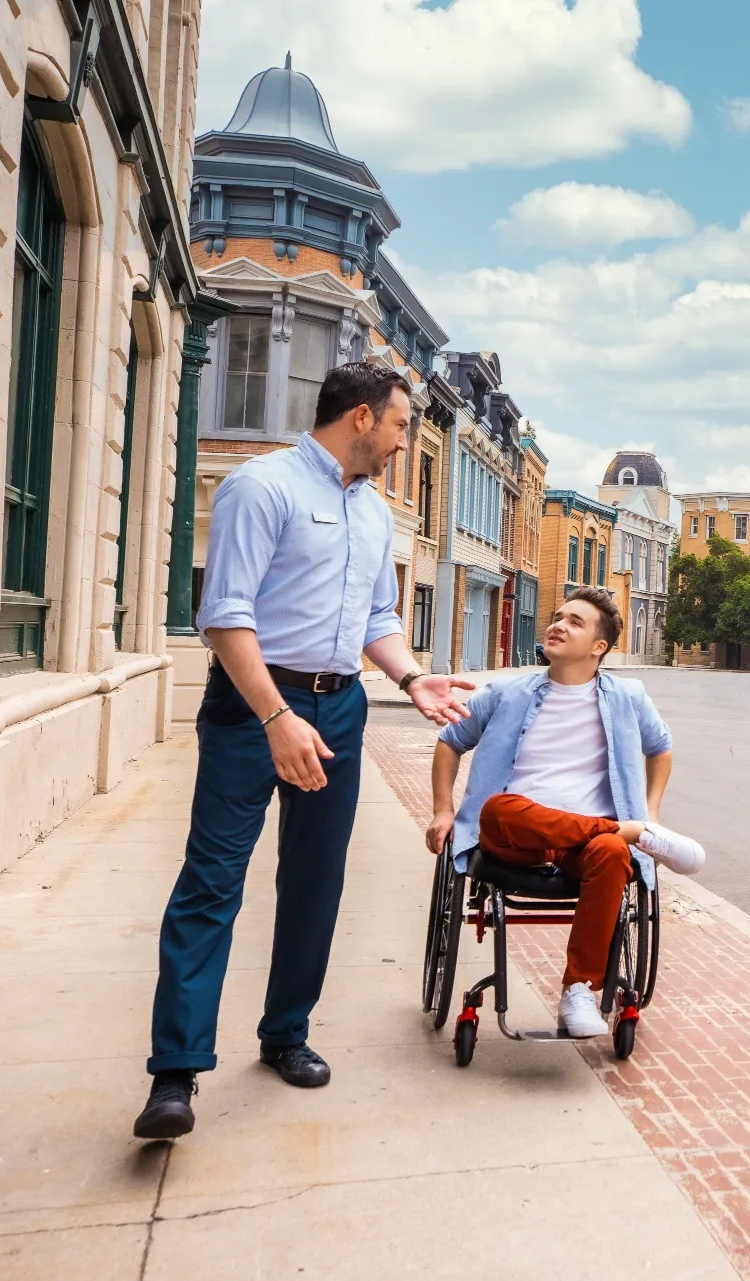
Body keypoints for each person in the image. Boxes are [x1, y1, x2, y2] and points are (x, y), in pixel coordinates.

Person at [136, 363, 474, 1141]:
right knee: (211, 882)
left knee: (316, 880)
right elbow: (225, 615)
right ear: (361, 417)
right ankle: (175, 1073)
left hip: (341, 706)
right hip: (254, 707)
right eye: (398, 428)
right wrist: (277, 715)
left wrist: (413, 678)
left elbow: (378, 616)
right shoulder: (264, 487)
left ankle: (285, 1032)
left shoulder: (373, 514)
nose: (400, 446)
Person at [425, 587, 706, 1038]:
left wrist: (651, 810)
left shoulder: (627, 698)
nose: (558, 624)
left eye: (575, 621)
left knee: (612, 853)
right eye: (557, 617)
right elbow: (449, 742)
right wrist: (442, 811)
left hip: (585, 848)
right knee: (498, 808)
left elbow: (661, 749)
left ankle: (579, 990)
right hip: (515, 840)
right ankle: (631, 832)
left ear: (599, 647)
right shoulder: (506, 693)